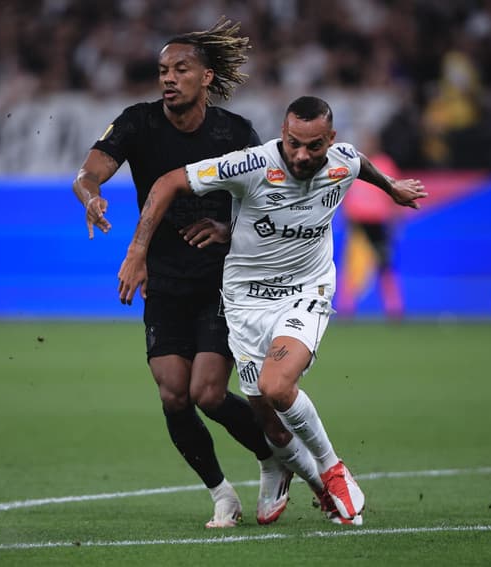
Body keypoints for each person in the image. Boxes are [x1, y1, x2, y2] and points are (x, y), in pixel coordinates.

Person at [117, 96, 428, 525]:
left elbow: (358, 162)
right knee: (269, 421)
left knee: (277, 386)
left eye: (314, 146)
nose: (302, 155)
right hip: (244, 302)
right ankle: (293, 474)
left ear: (329, 140)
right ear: (283, 134)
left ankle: (332, 468)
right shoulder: (251, 164)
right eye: (294, 143)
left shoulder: (341, 161)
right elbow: (168, 181)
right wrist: (138, 250)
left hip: (306, 291)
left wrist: (392, 188)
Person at [71, 18, 294, 528]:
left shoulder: (235, 133)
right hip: (165, 279)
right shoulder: (137, 122)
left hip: (223, 280)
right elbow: (86, 175)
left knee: (208, 393)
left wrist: (226, 226)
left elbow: (269, 203)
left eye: (181, 69)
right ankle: (221, 494)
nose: (168, 78)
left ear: (206, 78)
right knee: (173, 392)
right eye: (162, 70)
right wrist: (92, 197)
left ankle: (272, 458)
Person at [336, 129, 405, 320]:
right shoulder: (354, 162)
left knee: (385, 265)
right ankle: (345, 309)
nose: (368, 144)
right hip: (358, 222)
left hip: (378, 222)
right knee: (353, 266)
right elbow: (345, 192)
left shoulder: (385, 163)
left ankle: (394, 309)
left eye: (371, 141)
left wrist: (396, 218)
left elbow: (395, 191)